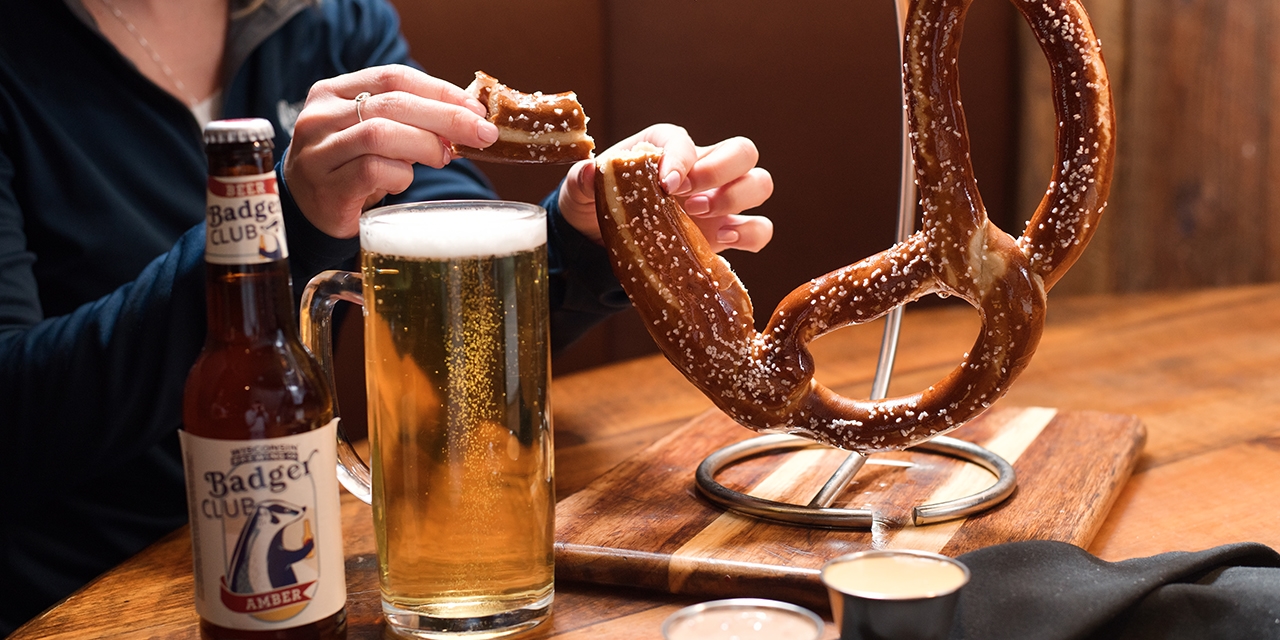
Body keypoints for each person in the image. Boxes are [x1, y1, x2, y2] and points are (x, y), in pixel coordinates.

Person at [0, 0, 774, 633]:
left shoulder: (332, 21)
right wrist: (292, 222)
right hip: (98, 592)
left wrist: (583, 232)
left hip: (328, 566)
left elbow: (451, 301)